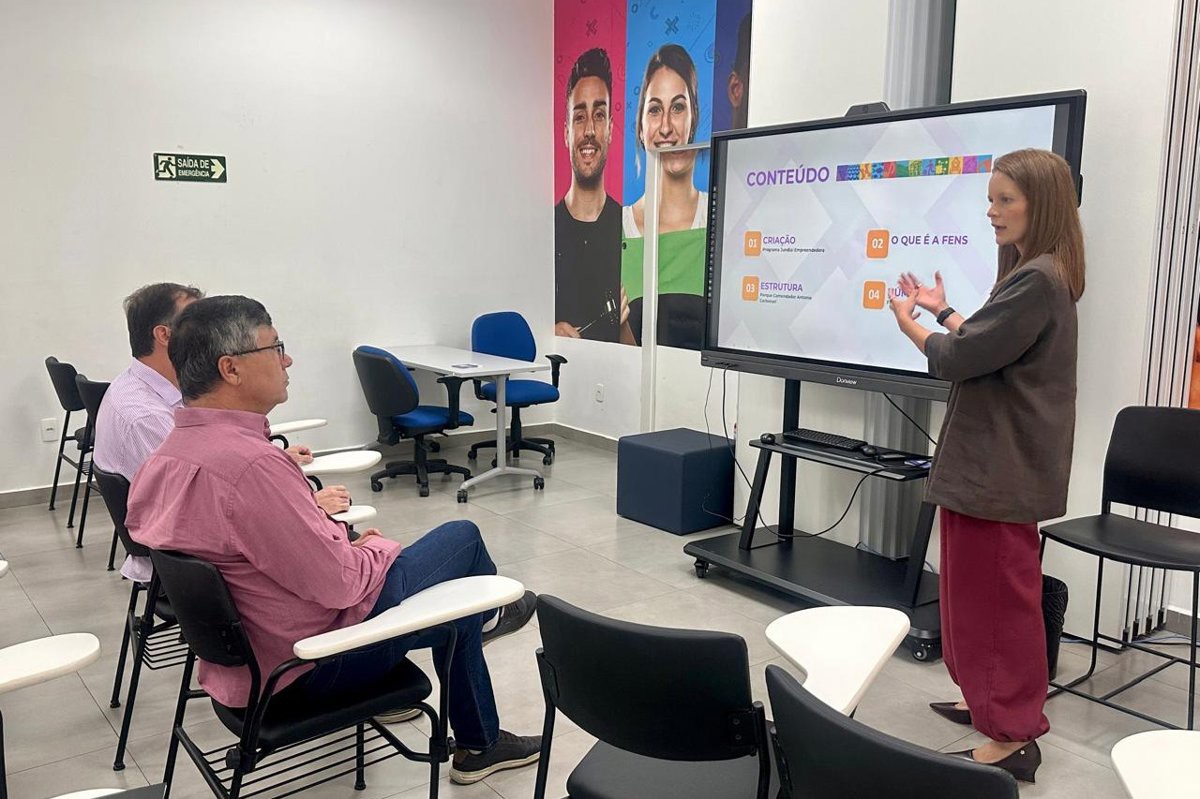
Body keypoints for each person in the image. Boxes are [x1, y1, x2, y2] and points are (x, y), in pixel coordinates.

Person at [125, 296, 541, 785]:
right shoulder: (251, 467)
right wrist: (370, 549)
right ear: (230, 368)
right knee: (461, 538)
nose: (287, 360)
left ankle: (480, 741)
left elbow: (247, 549)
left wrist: (334, 539)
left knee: (456, 612)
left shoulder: (168, 455)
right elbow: (340, 585)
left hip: (243, 666)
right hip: (308, 664)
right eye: (275, 348)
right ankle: (491, 626)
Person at [888, 148, 1085, 783]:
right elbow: (987, 344)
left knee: (1000, 607)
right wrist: (943, 311)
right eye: (990, 199)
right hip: (989, 468)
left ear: (1040, 204)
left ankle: (1015, 735)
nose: (992, 211)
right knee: (975, 601)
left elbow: (958, 358)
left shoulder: (1040, 279)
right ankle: (988, 704)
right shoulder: (1035, 274)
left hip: (1001, 471)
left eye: (1006, 200)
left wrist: (912, 326)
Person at [94, 283, 351, 582]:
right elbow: (201, 503)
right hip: (205, 574)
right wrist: (303, 509)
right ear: (165, 335)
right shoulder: (146, 417)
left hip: (198, 563)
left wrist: (274, 462)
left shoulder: (140, 391)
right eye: (194, 316)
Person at [622, 43, 708, 348]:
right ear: (641, 128)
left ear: (693, 117)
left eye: (678, 107)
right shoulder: (617, 229)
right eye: (655, 110)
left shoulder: (718, 222)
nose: (667, 127)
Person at [554, 47, 630, 343]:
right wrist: (546, 331)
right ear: (566, 133)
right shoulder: (544, 232)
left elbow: (641, 355)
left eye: (598, 115)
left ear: (610, 129)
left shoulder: (629, 229)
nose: (588, 130)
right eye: (579, 117)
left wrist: (623, 324)